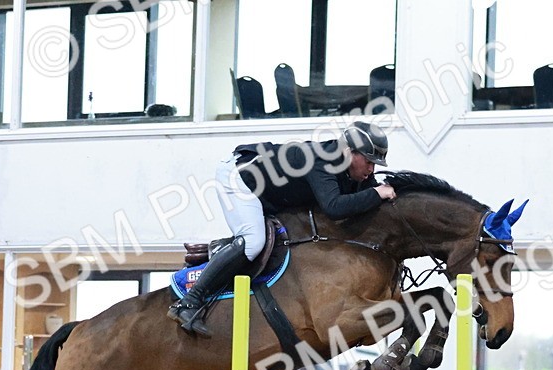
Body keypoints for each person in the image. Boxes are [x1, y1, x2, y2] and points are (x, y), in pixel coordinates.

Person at [169, 121, 397, 336]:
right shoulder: (322, 160)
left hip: (273, 192)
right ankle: (190, 301)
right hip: (240, 178)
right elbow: (334, 208)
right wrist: (377, 193)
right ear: (349, 152)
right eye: (368, 160)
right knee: (253, 241)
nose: (371, 168)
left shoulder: (356, 172)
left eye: (374, 163)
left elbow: (363, 203)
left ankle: (223, 249)